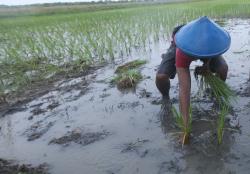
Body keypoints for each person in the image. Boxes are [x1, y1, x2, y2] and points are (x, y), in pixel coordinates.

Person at [156, 16, 231, 134]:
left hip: (204, 42)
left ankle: (217, 93)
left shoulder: (212, 42)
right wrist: (185, 125)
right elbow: (184, 89)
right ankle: (165, 97)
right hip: (181, 46)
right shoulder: (182, 50)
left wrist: (207, 65)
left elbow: (212, 50)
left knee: (223, 68)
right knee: (161, 77)